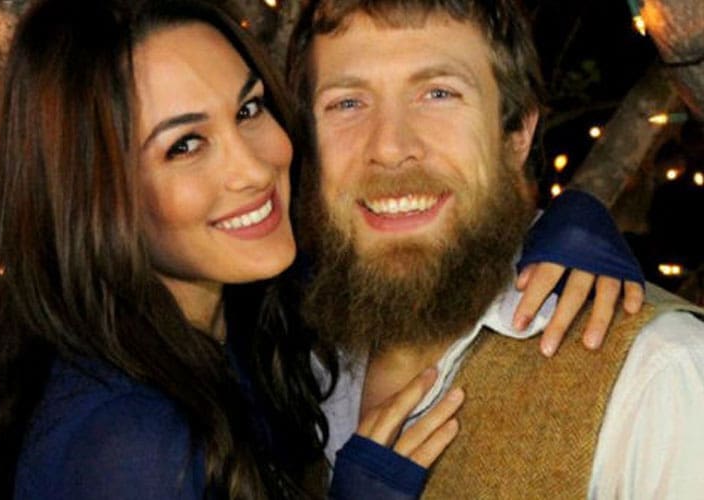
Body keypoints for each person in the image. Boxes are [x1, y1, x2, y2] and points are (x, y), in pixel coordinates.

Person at [0, 0, 644, 498]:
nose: (254, 166)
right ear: (94, 195)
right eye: (185, 145)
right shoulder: (129, 445)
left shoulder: (246, 313)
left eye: (248, 110)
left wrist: (560, 226)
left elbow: (426, 253)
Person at [286, 0, 704, 497]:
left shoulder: (655, 376)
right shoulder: (278, 356)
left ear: (517, 134)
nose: (390, 147)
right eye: (347, 103)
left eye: (438, 93)